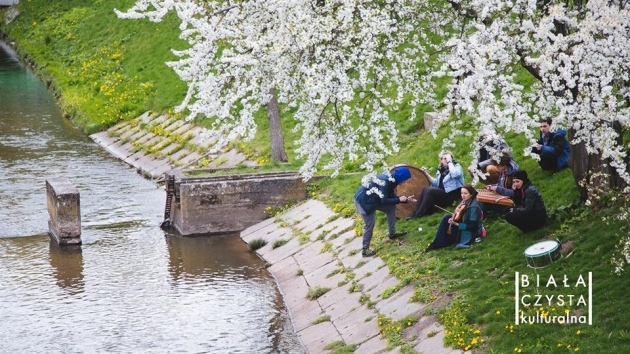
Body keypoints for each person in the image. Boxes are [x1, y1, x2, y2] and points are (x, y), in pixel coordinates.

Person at [354, 167, 416, 257]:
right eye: (405, 180)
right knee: (369, 224)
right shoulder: (385, 182)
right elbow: (384, 200)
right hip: (364, 202)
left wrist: (405, 199)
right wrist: (399, 199)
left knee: (391, 208)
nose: (405, 182)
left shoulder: (391, 181)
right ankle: (365, 250)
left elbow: (390, 197)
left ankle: (392, 233)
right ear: (400, 178)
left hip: (375, 200)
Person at [407, 151, 464, 220]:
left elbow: (455, 174)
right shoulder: (441, 170)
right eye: (444, 158)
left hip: (452, 195)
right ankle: (415, 213)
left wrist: (450, 162)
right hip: (443, 193)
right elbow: (436, 184)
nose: (446, 160)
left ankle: (418, 214)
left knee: (430, 190)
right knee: (426, 189)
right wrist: (426, 174)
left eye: (447, 158)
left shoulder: (456, 167)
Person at [425, 184, 483, 251]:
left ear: (471, 194)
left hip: (470, 231)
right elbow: (459, 213)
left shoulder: (474, 207)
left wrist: (457, 224)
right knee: (446, 219)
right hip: (463, 224)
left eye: (465, 193)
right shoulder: (465, 201)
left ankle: (439, 243)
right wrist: (455, 214)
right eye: (461, 193)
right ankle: (438, 242)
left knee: (448, 223)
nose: (463, 195)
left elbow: (473, 227)